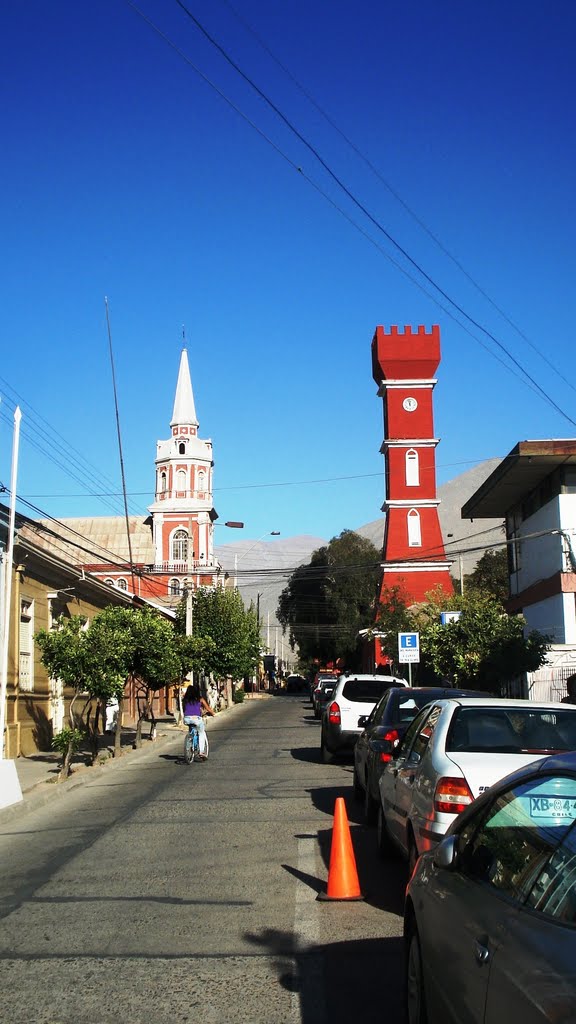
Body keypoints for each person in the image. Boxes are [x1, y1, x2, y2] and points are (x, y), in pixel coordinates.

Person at [182, 683, 215, 758]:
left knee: (191, 728)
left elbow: (184, 709)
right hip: (197, 719)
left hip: (187, 719)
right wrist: (213, 713)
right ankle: (201, 751)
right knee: (201, 733)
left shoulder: (185, 699)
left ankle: (189, 745)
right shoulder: (200, 699)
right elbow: (208, 708)